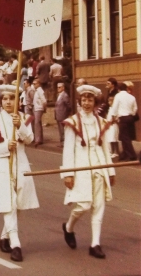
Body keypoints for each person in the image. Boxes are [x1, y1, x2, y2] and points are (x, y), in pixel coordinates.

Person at [0, 84, 38, 262]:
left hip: (20, 164)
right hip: (3, 164)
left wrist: (20, 126)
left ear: (17, 101)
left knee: (18, 203)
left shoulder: (23, 118)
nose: (8, 102)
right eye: (4, 99)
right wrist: (5, 145)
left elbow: (30, 139)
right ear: (0, 101)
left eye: (11, 98)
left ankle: (4, 237)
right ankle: (16, 244)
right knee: (9, 202)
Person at [61, 85, 116, 259]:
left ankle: (95, 244)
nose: (86, 103)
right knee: (83, 205)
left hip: (99, 167)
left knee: (98, 207)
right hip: (81, 168)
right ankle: (69, 228)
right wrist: (68, 173)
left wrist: (110, 170)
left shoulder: (101, 122)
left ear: (95, 102)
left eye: (90, 100)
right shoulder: (73, 122)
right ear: (79, 101)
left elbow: (105, 148)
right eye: (84, 100)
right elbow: (68, 149)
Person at [109, 82, 138, 161]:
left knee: (124, 137)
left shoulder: (118, 96)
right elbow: (135, 109)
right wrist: (132, 113)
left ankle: (132, 154)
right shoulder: (132, 97)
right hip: (130, 117)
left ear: (118, 89)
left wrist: (113, 117)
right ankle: (125, 154)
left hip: (123, 118)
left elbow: (114, 108)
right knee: (125, 136)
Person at [54, 82, 71, 147]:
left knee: (63, 130)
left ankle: (64, 142)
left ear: (63, 88)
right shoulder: (59, 95)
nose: (58, 88)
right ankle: (61, 142)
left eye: (59, 87)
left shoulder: (65, 95)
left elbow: (68, 105)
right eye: (57, 87)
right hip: (58, 115)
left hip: (63, 114)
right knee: (60, 129)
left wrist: (67, 113)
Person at [32, 78, 47, 147]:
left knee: (37, 123)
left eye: (35, 84)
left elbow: (44, 101)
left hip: (39, 108)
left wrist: (44, 109)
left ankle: (37, 139)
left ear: (38, 84)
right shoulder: (37, 91)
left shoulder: (40, 91)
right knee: (38, 123)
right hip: (36, 108)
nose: (34, 85)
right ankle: (40, 139)